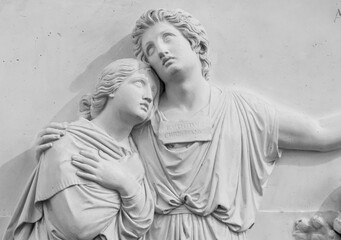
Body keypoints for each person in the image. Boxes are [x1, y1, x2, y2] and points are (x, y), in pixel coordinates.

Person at [33, 8, 341, 240]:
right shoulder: (140, 120)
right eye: (150, 49)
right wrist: (58, 139)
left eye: (168, 38)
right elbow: (91, 146)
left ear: (196, 45)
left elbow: (321, 133)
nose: (161, 50)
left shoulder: (243, 110)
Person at [4, 58, 160, 240]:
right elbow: (79, 226)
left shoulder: (136, 160)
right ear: (111, 87)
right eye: (140, 83)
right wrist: (127, 188)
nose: (149, 96)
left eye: (154, 91)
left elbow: (139, 225)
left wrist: (124, 182)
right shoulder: (65, 143)